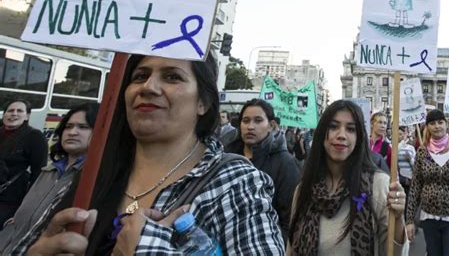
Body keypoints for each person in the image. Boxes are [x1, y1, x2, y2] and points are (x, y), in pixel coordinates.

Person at [26, 53, 285, 255]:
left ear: (203, 102)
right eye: (139, 76)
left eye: (172, 77)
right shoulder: (90, 173)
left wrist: (150, 249)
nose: (148, 87)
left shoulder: (236, 182)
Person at [287, 100, 408, 255]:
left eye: (351, 129)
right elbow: (291, 248)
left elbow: (394, 252)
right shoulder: (304, 189)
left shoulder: (377, 185)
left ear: (359, 137)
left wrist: (398, 220)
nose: (342, 135)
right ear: (322, 132)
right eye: (333, 127)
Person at [0, 102, 99, 253]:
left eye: (83, 127)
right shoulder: (49, 171)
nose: (72, 132)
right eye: (68, 126)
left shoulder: (92, 177)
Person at [225, 99, 301, 243]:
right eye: (245, 121)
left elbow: (290, 220)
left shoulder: (286, 163)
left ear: (271, 126)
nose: (250, 127)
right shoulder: (226, 158)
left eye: (258, 121)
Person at [406, 109, 449, 256]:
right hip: (430, 218)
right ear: (427, 127)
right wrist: (409, 220)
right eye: (432, 123)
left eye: (440, 122)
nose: (437, 126)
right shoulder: (423, 152)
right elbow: (415, 186)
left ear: (446, 124)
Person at [0, 100, 48, 227]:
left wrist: (27, 207)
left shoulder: (34, 137)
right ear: (4, 114)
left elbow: (38, 173)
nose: (14, 114)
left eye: (19, 111)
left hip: (9, 197)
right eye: (10, 111)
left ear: (27, 116)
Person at [397, 126, 415, 200]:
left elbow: (415, 165)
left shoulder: (410, 148)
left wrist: (410, 159)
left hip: (407, 180)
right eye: (398, 134)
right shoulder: (391, 147)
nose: (400, 136)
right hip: (397, 179)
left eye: (401, 134)